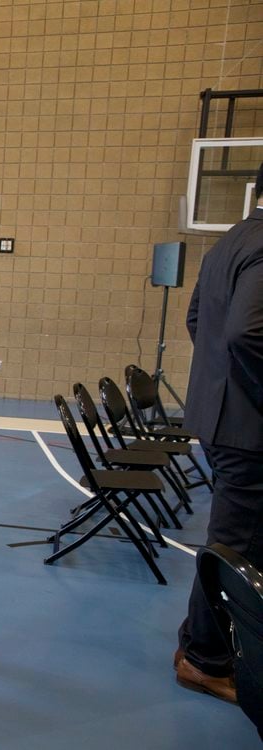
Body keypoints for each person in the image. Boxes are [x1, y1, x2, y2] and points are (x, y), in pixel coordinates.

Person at [175, 161, 263, 706]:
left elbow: (195, 322)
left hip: (220, 416)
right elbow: (247, 333)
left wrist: (217, 381)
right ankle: (205, 659)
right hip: (247, 426)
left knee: (234, 541)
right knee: (235, 547)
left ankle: (203, 647)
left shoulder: (231, 240)